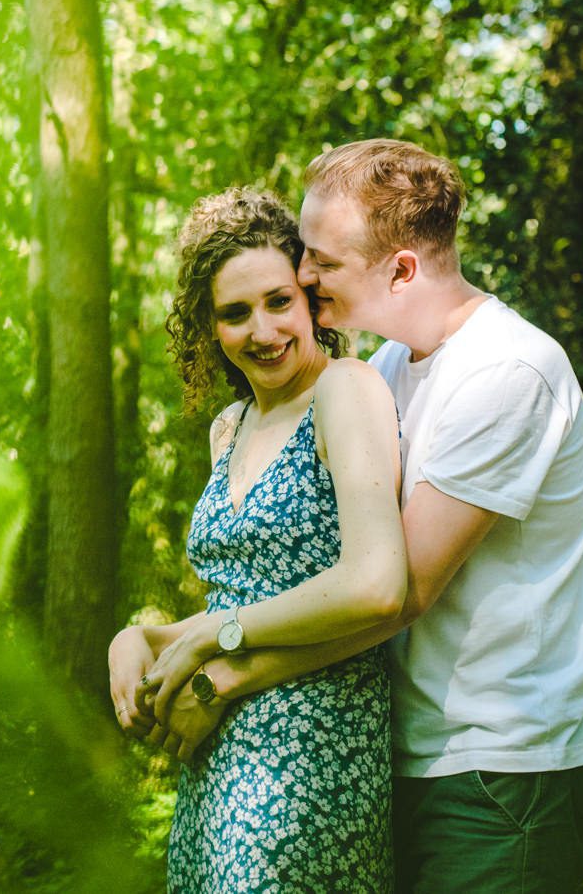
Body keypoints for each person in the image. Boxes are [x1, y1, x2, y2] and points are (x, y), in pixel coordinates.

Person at [171, 140, 583, 894]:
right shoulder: (384, 371)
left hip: (503, 773)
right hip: (405, 758)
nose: (304, 276)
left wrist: (219, 671)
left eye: (320, 261)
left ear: (401, 268)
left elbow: (395, 594)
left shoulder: (507, 371)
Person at [108, 187, 406, 894]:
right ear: (208, 328)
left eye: (278, 300)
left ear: (309, 299)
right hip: (214, 758)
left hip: (310, 764)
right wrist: (143, 640)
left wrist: (218, 637)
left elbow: (376, 584)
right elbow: (243, 600)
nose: (262, 329)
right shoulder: (229, 427)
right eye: (234, 312)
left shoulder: (347, 391)